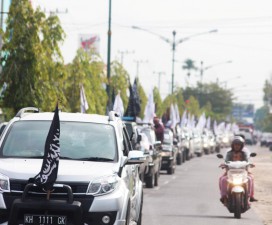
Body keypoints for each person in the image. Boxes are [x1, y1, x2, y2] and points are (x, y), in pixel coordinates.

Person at [219, 136, 255, 205]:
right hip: (230, 173)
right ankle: (224, 197)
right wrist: (223, 164)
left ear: (241, 146)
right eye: (235, 144)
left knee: (250, 179)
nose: (237, 146)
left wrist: (251, 164)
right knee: (222, 179)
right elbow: (226, 161)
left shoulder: (244, 153)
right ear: (233, 145)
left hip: (243, 173)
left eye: (239, 145)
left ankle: (249, 197)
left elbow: (247, 161)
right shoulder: (229, 153)